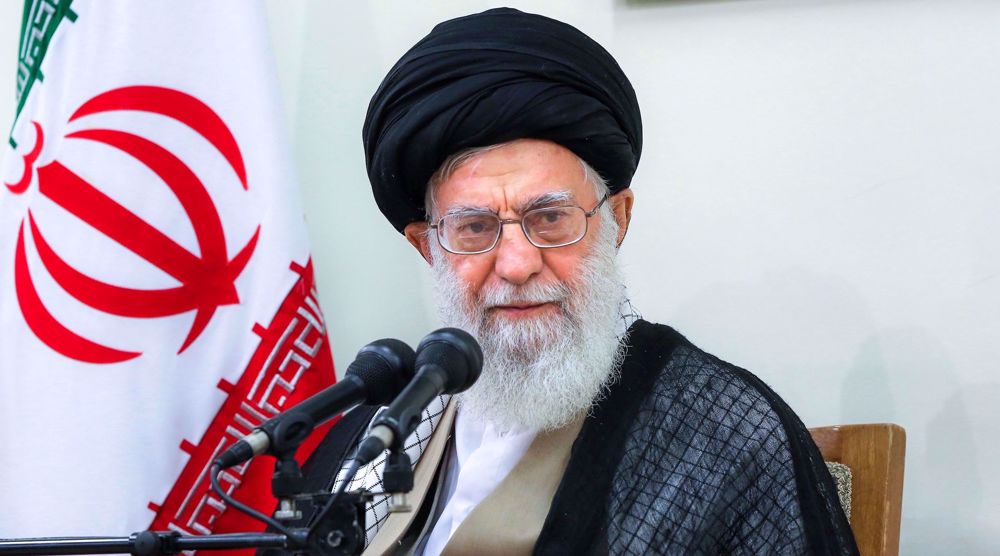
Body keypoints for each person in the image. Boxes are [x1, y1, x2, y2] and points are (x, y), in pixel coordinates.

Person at [294, 8, 858, 555]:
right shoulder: (380, 427)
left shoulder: (725, 437)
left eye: (550, 218)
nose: (516, 264)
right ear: (427, 246)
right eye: (474, 227)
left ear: (617, 221)